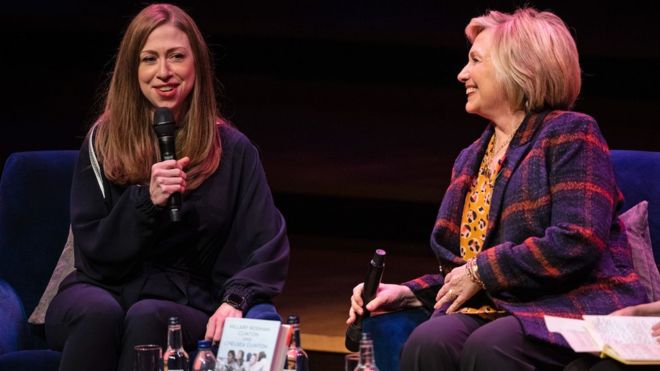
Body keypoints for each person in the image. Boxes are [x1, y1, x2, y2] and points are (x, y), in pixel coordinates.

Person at [347, 7, 647, 370]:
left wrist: (480, 273)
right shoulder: (471, 158)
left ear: (519, 69)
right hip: (501, 306)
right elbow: (465, 268)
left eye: (475, 61)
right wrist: (409, 293)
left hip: (570, 304)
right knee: (430, 341)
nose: (462, 75)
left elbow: (577, 240)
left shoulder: (571, 134)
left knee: (491, 347)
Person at [44, 4, 289, 371]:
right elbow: (93, 250)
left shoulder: (233, 150)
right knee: (98, 314)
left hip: (183, 300)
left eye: (176, 56)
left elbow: (266, 244)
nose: (164, 72)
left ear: (197, 66)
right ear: (133, 69)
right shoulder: (104, 141)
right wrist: (145, 201)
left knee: (150, 316)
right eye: (149, 59)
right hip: (100, 288)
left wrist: (237, 299)